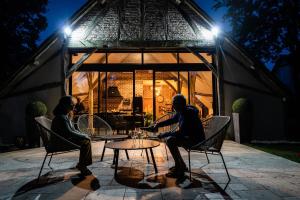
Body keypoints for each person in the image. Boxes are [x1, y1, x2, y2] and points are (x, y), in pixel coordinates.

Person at [144, 94, 205, 181]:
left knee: (171, 140)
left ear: (180, 104)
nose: (173, 106)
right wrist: (158, 124)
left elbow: (181, 133)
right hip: (189, 137)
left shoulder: (188, 114)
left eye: (174, 103)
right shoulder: (182, 111)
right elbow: (171, 120)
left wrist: (163, 135)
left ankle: (179, 168)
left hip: (196, 141)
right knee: (171, 139)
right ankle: (181, 165)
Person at [51, 96, 92, 176]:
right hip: (59, 143)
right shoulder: (61, 117)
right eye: (72, 104)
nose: (74, 106)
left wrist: (84, 135)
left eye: (74, 105)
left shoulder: (66, 116)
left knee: (86, 140)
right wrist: (84, 136)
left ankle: (82, 164)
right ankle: (83, 166)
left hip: (64, 140)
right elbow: (70, 132)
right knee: (86, 142)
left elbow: (73, 130)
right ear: (64, 105)